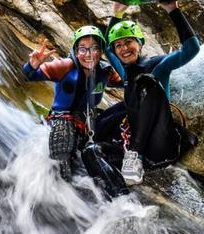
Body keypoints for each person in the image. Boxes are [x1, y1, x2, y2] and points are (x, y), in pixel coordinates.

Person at [93, 0, 200, 186]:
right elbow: (107, 49)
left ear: (140, 43)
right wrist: (116, 14)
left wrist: (172, 9)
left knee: (145, 81)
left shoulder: (158, 65)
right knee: (97, 142)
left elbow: (192, 49)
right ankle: (128, 163)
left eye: (128, 42)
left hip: (160, 144)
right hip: (135, 138)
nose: (124, 48)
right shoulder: (125, 68)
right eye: (119, 45)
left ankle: (135, 157)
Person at [22, 26, 128, 197]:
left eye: (94, 48)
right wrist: (32, 65)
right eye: (83, 49)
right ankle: (61, 190)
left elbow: (126, 81)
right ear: (76, 50)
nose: (88, 54)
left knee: (127, 106)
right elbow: (29, 75)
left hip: (88, 121)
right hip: (60, 121)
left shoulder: (105, 71)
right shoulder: (64, 66)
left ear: (101, 51)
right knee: (64, 143)